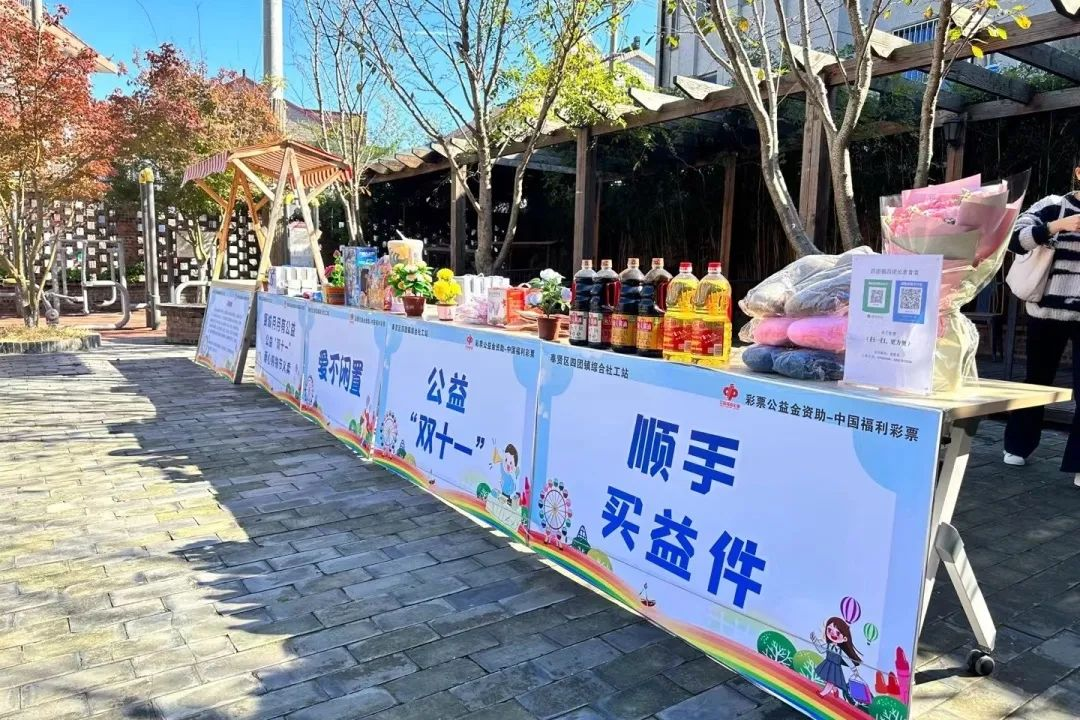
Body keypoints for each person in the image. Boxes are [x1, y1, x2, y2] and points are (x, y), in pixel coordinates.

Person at [1003, 156, 1080, 486]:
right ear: (1078, 172)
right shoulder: (1053, 205)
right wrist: (1056, 226)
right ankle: (1018, 444)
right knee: (1037, 381)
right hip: (1046, 311)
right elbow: (1013, 239)